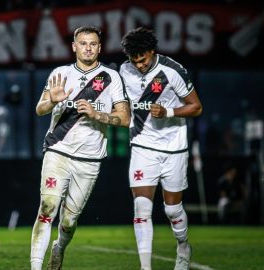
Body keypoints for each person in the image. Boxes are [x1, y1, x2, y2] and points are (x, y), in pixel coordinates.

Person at [30, 26, 130, 270]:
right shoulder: (61, 73)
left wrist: (97, 114)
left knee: (69, 221)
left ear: (99, 47)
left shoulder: (110, 77)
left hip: (89, 159)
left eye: (93, 43)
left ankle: (59, 248)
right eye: (83, 43)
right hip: (58, 151)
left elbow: (125, 119)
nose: (88, 48)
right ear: (74, 46)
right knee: (47, 207)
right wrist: (51, 99)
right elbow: (40, 109)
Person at [120, 27, 203, 270]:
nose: (139, 65)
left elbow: (196, 107)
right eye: (134, 61)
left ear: (152, 51)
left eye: (143, 60)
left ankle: (184, 246)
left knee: (172, 209)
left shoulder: (172, 70)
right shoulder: (125, 70)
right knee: (141, 207)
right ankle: (145, 267)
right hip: (142, 145)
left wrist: (168, 111)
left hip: (174, 147)